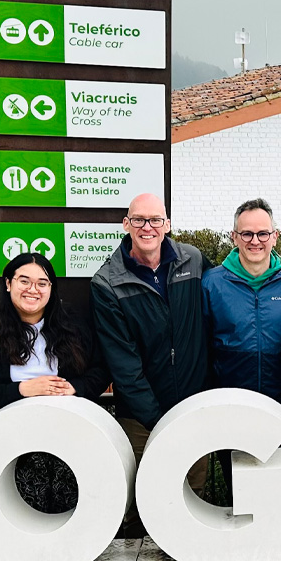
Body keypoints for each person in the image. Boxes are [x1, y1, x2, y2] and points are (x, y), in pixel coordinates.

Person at [0, 253, 109, 513]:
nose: (33, 289)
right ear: (8, 284)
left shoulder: (74, 327)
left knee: (73, 510)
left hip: (68, 438)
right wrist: (21, 390)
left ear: (51, 288)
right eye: (24, 281)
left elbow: (101, 370)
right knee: (18, 513)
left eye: (42, 283)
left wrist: (76, 388)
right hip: (6, 442)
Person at [91, 193, 209, 508]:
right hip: (142, 421)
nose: (148, 227)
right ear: (126, 224)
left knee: (193, 502)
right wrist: (157, 420)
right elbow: (123, 365)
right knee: (144, 504)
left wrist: (276, 265)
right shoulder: (106, 283)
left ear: (167, 224)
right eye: (139, 220)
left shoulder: (193, 260)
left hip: (193, 412)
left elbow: (227, 288)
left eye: (155, 219)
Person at [202, 198, 281, 510]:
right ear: (234, 237)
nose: (255, 241)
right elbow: (202, 344)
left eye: (263, 233)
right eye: (247, 234)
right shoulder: (212, 283)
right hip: (232, 406)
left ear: (275, 237)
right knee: (241, 495)